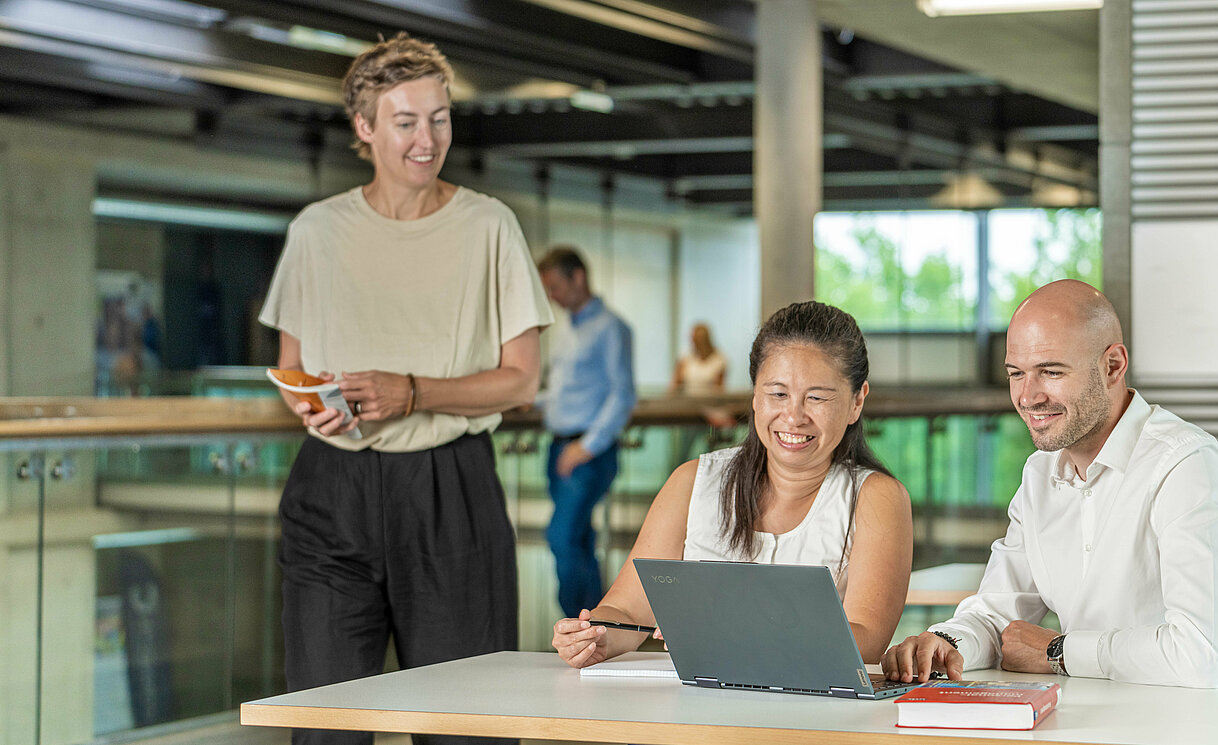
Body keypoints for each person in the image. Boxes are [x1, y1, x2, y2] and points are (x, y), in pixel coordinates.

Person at [257, 33, 552, 745]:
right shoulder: (316, 232)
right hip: (332, 491)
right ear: (364, 128)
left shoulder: (489, 226)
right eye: (407, 121)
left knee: (466, 726)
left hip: (449, 489)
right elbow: (292, 366)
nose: (429, 139)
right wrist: (310, 403)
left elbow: (522, 377)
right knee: (326, 727)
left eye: (440, 118)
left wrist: (413, 392)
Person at [881, 280, 1218, 689]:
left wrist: (1058, 651)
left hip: (1184, 724)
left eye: (1051, 372)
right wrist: (945, 642)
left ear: (1113, 366)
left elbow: (1200, 654)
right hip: (1080, 715)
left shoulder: (1185, 463)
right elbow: (997, 612)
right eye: (1016, 374)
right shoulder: (1039, 474)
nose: (1028, 396)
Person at [551, 301, 914, 667]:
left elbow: (865, 638)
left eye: (817, 398)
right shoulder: (691, 482)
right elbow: (627, 611)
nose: (794, 416)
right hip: (699, 713)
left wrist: (727, 627)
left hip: (813, 717)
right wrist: (596, 636)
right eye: (777, 394)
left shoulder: (877, 498)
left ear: (856, 401)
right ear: (755, 395)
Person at [536, 246, 638, 618]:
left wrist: (586, 446)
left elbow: (623, 395)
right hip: (558, 447)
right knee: (578, 540)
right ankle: (596, 626)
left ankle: (575, 624)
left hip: (586, 452)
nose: (553, 297)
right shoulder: (568, 329)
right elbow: (567, 389)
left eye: (556, 286)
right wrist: (529, 400)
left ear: (578, 276)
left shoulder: (611, 327)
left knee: (561, 538)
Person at [670, 322, 727, 394]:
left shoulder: (719, 360)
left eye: (698, 340)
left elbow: (719, 390)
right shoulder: (685, 358)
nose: (695, 344)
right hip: (687, 401)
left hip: (710, 402)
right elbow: (674, 386)